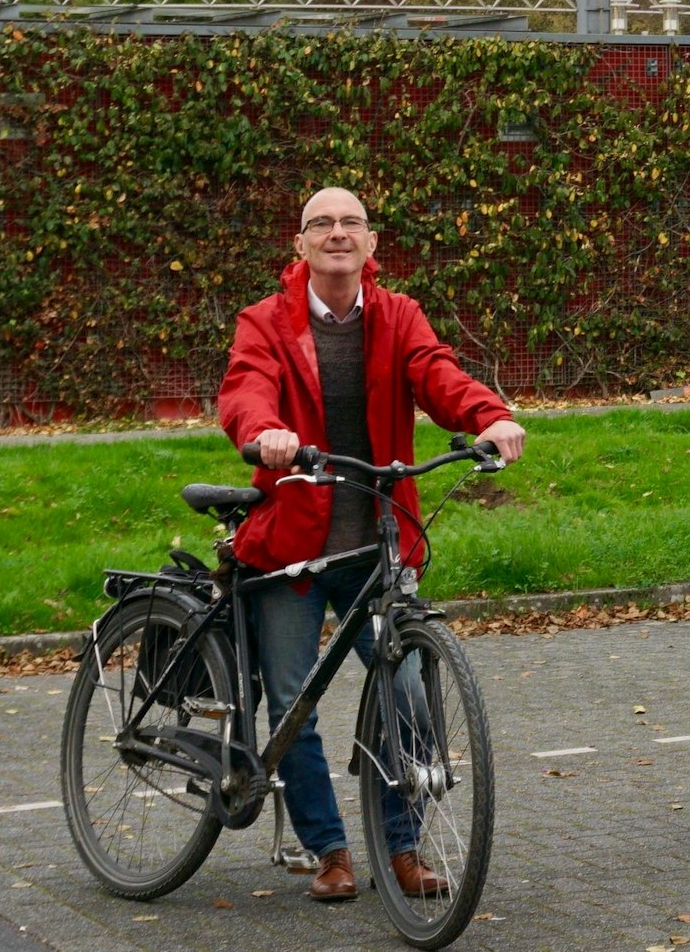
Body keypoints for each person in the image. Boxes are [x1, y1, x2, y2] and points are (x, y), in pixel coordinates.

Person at [217, 187, 528, 903]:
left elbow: (437, 373)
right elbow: (246, 389)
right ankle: (328, 850)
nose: (337, 233)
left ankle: (403, 846)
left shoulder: (397, 316)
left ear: (370, 242)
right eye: (321, 223)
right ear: (300, 244)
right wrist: (265, 433)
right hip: (293, 547)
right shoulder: (265, 321)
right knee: (293, 703)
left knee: (410, 694)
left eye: (350, 222)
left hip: (376, 547)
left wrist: (489, 416)